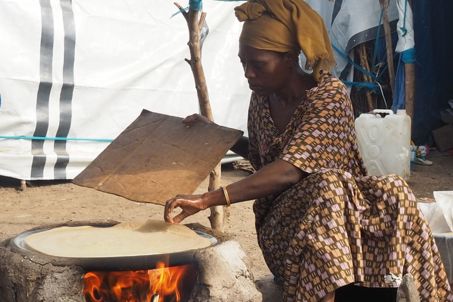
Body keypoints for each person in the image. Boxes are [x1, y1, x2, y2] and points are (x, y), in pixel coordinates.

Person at [164, 0, 453, 301]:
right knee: (326, 187)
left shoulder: (328, 96)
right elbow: (267, 160)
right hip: (284, 234)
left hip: (345, 228)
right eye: (243, 63)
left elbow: (290, 169)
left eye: (257, 64)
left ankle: (415, 294)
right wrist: (217, 134)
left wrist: (208, 199)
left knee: (394, 190)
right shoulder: (262, 100)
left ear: (289, 58)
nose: (248, 73)